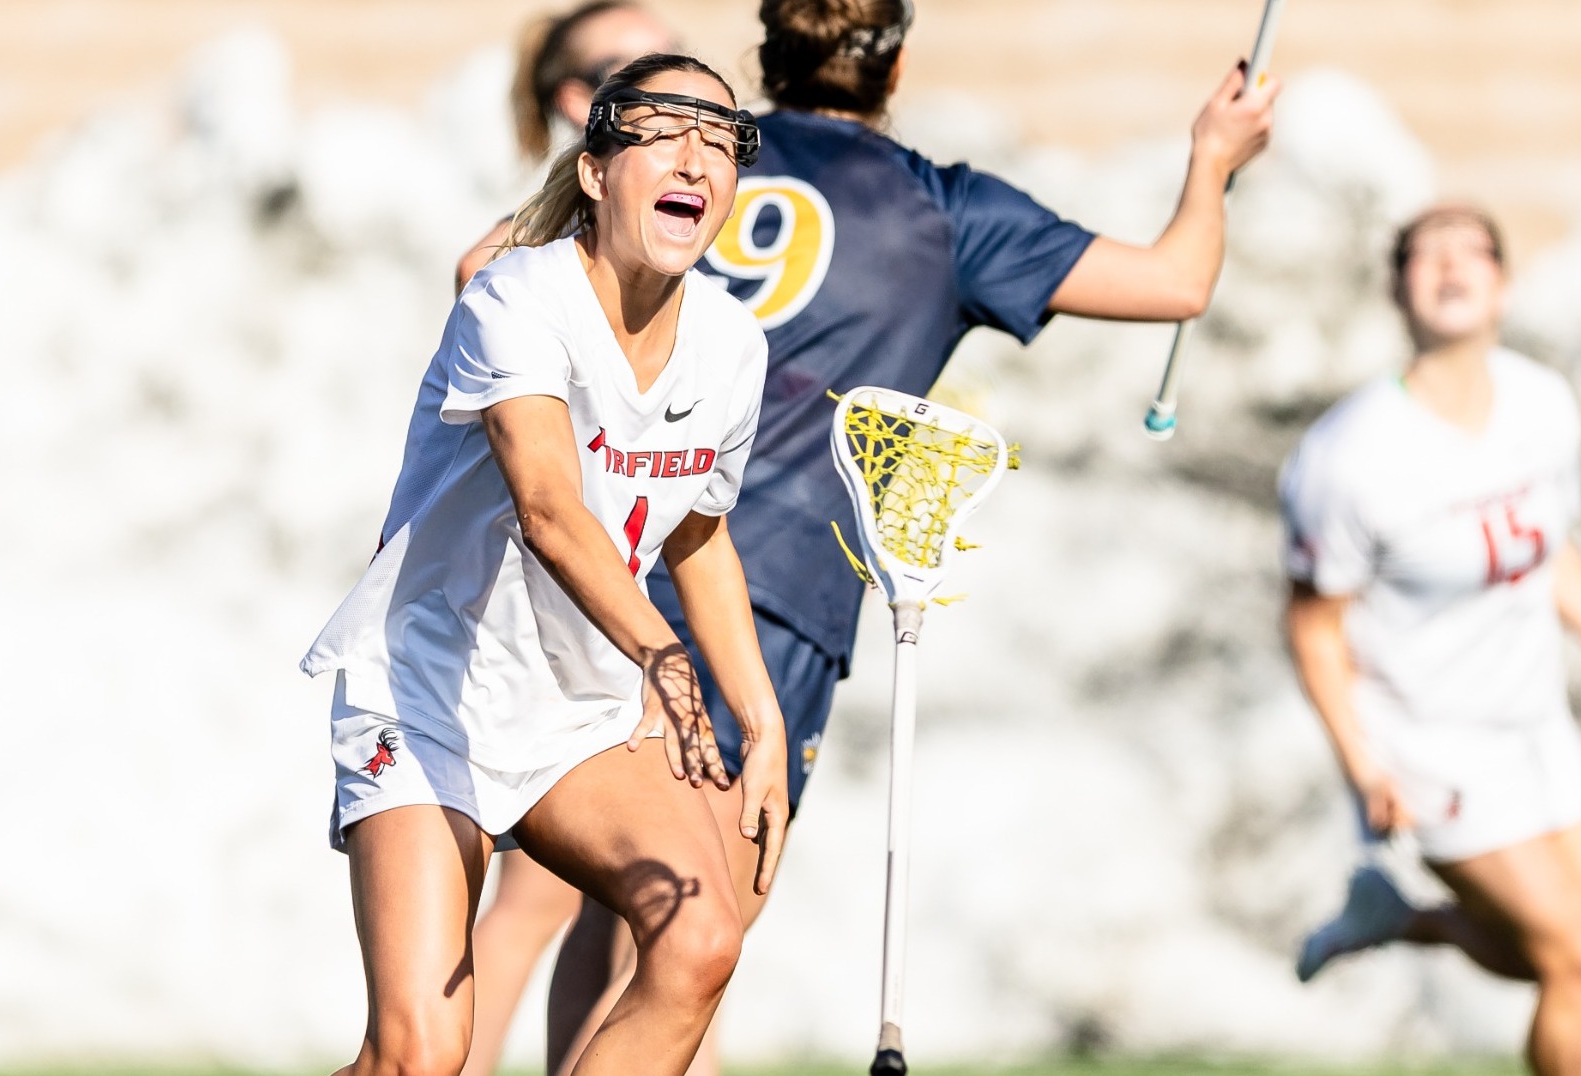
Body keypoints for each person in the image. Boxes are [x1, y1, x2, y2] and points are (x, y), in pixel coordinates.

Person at [543, 0, 1280, 1069]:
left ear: (767, 51)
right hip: (767, 586)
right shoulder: (938, 211)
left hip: (601, 547)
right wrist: (1213, 158)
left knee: (601, 911)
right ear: (891, 69)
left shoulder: (689, 154)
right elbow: (1176, 280)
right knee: (694, 938)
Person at [301, 53, 791, 1076]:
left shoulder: (731, 347)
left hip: (575, 708)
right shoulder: (516, 298)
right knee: (419, 1055)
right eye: (661, 129)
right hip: (429, 689)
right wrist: (663, 655)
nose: (693, 154)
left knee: (702, 941)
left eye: (719, 139)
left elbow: (698, 532)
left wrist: (762, 716)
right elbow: (549, 507)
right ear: (595, 171)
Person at [1281, 203, 1581, 1076]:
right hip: (1427, 745)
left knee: (1542, 950)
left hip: (1533, 725)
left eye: (1472, 253)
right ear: (1396, 290)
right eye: (1426, 257)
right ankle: (1401, 909)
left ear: (1502, 283)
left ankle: (1399, 918)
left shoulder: (1542, 401)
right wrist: (1363, 766)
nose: (1450, 269)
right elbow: (1312, 626)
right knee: (1571, 956)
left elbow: (1555, 559)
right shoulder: (1347, 453)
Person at [449, 8, 681, 1076]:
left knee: (663, 915)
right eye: (621, 77)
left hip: (624, 595)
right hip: (557, 614)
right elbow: (542, 482)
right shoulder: (515, 264)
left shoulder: (653, 253)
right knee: (542, 905)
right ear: (572, 107)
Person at [456, 2, 677, 293]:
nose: (671, 82)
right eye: (636, 70)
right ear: (578, 102)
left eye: (674, 59)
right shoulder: (507, 261)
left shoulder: (734, 175)